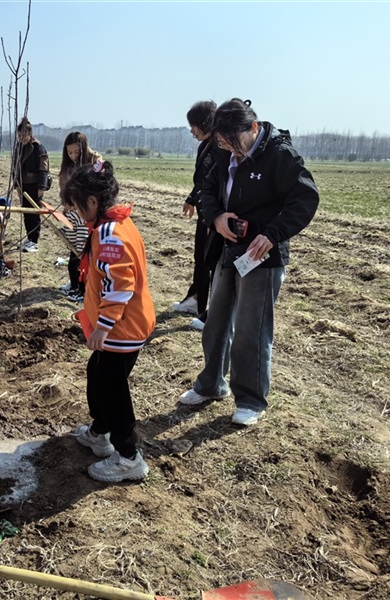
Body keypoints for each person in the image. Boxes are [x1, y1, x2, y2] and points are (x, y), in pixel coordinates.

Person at [177, 99, 319, 426]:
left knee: (250, 331)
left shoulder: (280, 156)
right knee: (216, 322)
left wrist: (273, 234)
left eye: (233, 143)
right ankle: (211, 384)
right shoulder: (226, 151)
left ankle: (251, 399)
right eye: (223, 144)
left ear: (253, 128)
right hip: (229, 248)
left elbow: (305, 198)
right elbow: (207, 189)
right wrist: (216, 217)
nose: (230, 151)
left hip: (261, 255)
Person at [61, 160, 156, 483]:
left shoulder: (111, 234)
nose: (76, 213)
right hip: (122, 325)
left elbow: (119, 284)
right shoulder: (115, 225)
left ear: (92, 202)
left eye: (77, 206)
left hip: (121, 327)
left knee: (113, 389)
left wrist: (103, 325)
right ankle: (99, 432)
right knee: (98, 375)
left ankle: (129, 456)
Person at [171, 100, 225, 331]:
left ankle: (211, 312)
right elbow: (203, 179)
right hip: (205, 211)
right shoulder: (205, 145)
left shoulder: (221, 147)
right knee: (200, 258)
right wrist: (192, 199)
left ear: (206, 123)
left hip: (215, 216)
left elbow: (218, 184)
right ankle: (196, 299)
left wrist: (213, 218)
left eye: (194, 125)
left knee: (212, 262)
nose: (192, 131)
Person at [58, 132, 102, 302]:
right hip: (74, 212)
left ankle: (83, 288)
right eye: (69, 153)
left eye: (77, 152)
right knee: (73, 247)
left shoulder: (95, 160)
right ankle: (74, 283)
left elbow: (101, 185)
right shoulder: (67, 166)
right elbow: (64, 189)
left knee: (84, 250)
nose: (73, 156)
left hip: (89, 213)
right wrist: (68, 203)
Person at [13, 117, 50, 252]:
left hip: (34, 185)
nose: (22, 138)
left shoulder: (38, 147)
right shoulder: (18, 147)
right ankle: (29, 238)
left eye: (24, 135)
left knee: (34, 213)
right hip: (23, 185)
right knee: (26, 212)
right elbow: (15, 166)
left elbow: (44, 168)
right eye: (19, 135)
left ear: (30, 134)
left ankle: (34, 241)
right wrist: (16, 184)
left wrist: (42, 186)